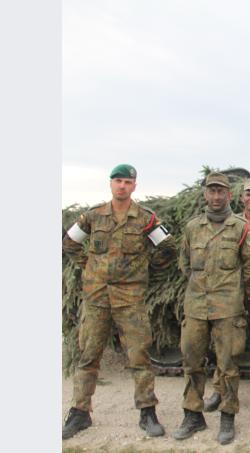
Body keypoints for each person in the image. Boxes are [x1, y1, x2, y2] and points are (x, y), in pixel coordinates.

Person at [62, 164, 176, 439]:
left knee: (139, 356)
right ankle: (79, 412)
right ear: (110, 184)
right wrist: (88, 265)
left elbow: (168, 248)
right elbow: (69, 243)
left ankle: (147, 412)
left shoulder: (146, 219)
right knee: (88, 356)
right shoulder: (93, 216)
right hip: (97, 298)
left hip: (130, 299)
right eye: (118, 181)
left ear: (134, 186)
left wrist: (144, 268)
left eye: (127, 181)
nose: (122, 186)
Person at [173, 172, 250, 445]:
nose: (216, 196)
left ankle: (227, 417)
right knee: (191, 361)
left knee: (228, 364)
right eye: (211, 191)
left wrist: (232, 291)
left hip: (228, 308)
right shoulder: (192, 227)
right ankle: (192, 414)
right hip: (196, 305)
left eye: (221, 191)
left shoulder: (241, 227)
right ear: (205, 194)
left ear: (229, 195)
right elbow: (185, 264)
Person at [205, 179, 250, 414]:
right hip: (231, 292)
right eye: (249, 194)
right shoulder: (231, 223)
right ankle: (220, 389)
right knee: (226, 344)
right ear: (241, 197)